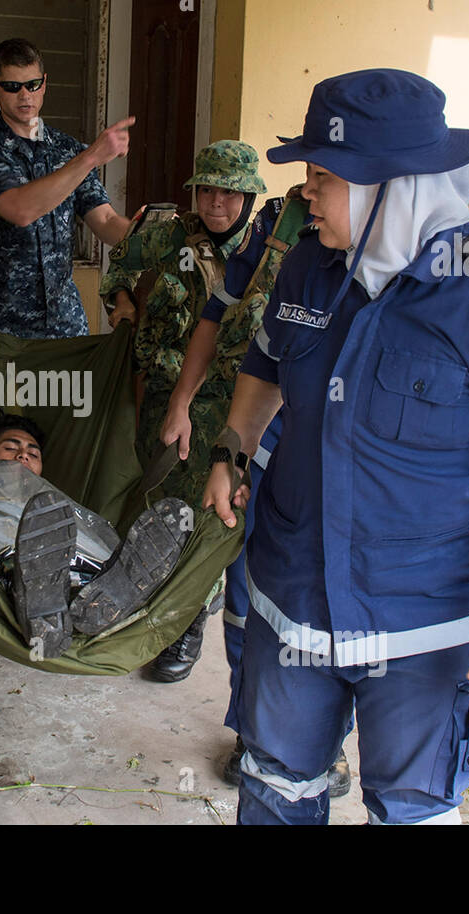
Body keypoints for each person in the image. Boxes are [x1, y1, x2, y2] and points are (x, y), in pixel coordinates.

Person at [204, 68, 469, 825]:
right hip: (294, 601)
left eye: (322, 176)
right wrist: (232, 448)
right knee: (276, 787)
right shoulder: (311, 263)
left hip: (427, 627)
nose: (306, 194)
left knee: (410, 809)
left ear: (389, 186)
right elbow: (267, 362)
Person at [154, 180, 353, 793]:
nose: (312, 191)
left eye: (325, 174)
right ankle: (251, 727)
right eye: (309, 176)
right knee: (244, 590)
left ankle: (325, 743)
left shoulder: (413, 250)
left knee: (327, 600)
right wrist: (184, 403)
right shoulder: (282, 220)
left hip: (338, 458)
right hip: (254, 437)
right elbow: (217, 313)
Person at [101, 140, 269, 685]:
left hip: (239, 401)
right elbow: (117, 271)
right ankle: (161, 610)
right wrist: (122, 304)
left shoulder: (272, 251)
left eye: (228, 192)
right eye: (206, 189)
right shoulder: (163, 232)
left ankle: (191, 618)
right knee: (166, 503)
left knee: (215, 511)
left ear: (247, 196)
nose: (215, 202)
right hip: (167, 392)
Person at [0, 415, 189, 659]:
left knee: (65, 527)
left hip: (66, 566)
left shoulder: (54, 509)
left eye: (33, 454)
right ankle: (46, 600)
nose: (23, 455)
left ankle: (89, 597)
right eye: (10, 448)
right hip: (8, 562)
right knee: (2, 526)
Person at [0, 37, 134, 338]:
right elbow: (21, 209)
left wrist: (151, 235)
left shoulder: (67, 150)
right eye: (13, 86)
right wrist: (91, 157)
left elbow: (105, 221)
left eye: (33, 84)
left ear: (45, 83)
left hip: (63, 327)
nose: (25, 95)